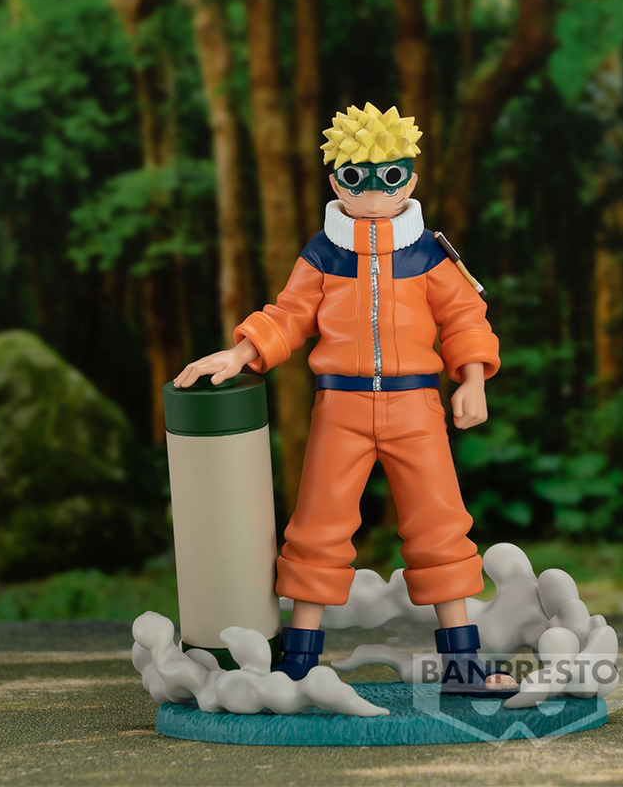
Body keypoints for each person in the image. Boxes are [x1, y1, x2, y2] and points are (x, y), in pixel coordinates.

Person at [175, 103, 517, 697]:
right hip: (342, 409)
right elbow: (289, 314)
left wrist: (472, 377)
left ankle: (462, 664)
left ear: (410, 180)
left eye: (390, 176)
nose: (375, 193)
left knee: (440, 525)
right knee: (318, 527)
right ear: (336, 182)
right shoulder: (323, 254)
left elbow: (464, 315)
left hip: (416, 407)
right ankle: (298, 664)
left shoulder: (429, 254)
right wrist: (241, 353)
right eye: (358, 178)